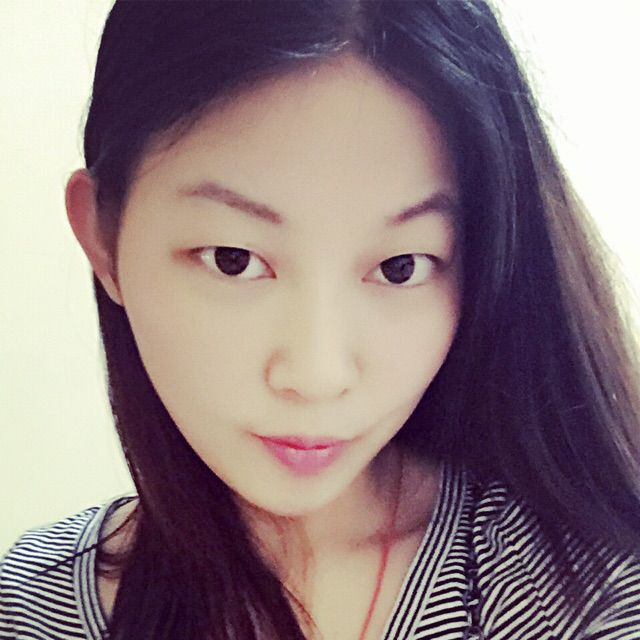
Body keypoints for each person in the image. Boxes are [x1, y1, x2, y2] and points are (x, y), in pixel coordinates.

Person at [2, 1, 640, 638]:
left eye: (400, 268)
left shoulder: (585, 596)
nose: (317, 376)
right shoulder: (31, 607)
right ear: (103, 238)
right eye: (233, 259)